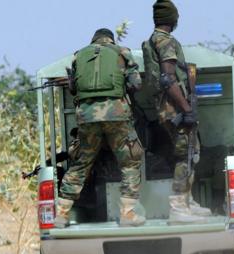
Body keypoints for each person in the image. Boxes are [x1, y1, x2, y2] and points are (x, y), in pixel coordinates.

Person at [54, 28, 145, 228]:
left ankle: (61, 214)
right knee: (129, 161)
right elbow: (136, 83)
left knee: (81, 163)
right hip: (116, 114)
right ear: (110, 39)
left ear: (93, 40)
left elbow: (73, 89)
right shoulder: (122, 51)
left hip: (86, 117)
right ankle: (127, 214)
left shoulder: (79, 56)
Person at [142, 0, 211, 223]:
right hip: (173, 107)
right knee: (185, 153)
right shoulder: (165, 41)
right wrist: (186, 107)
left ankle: (187, 202)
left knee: (191, 152)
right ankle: (179, 207)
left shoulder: (154, 40)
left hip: (169, 107)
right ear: (172, 19)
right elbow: (167, 78)